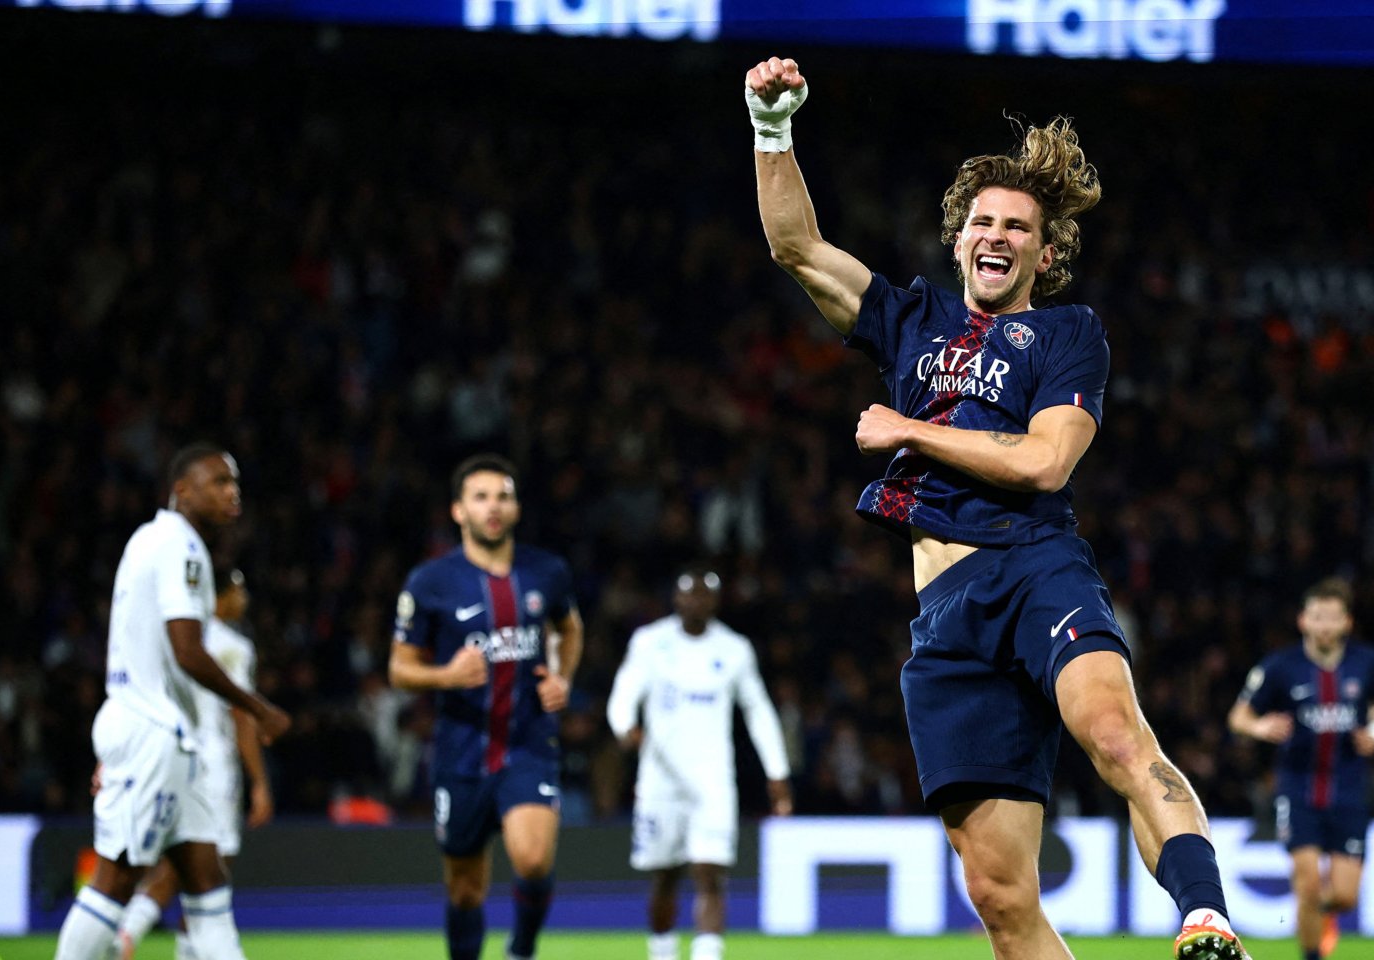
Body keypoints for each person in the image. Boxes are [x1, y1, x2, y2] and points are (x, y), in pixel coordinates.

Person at [747, 57, 1247, 960]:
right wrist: (770, 127)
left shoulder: (1067, 333)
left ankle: (1206, 917)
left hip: (1034, 568)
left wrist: (909, 427)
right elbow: (797, 248)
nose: (997, 235)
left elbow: (1046, 462)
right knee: (999, 897)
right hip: (944, 619)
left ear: (1044, 255)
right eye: (983, 221)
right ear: (958, 241)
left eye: (1018, 226)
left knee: (1115, 736)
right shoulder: (910, 320)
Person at [51, 444, 292, 960]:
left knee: (207, 879)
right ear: (181, 489)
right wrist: (258, 708)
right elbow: (188, 651)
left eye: (234, 483)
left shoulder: (153, 541)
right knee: (116, 879)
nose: (232, 493)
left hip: (167, 735)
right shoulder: (178, 545)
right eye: (218, 482)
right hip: (153, 731)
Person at [388, 454, 584, 960]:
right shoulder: (431, 581)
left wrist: (561, 677)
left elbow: (570, 628)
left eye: (503, 497)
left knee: (533, 860)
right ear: (459, 511)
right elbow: (399, 668)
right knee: (465, 888)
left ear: (516, 508)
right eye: (480, 497)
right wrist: (446, 676)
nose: (493, 507)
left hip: (528, 743)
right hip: (461, 752)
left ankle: (521, 948)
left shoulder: (547, 572)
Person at [606, 569, 793, 960]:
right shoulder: (650, 642)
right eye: (689, 594)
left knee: (710, 874)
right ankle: (662, 951)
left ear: (716, 601)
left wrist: (776, 772)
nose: (696, 601)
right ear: (676, 598)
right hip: (660, 779)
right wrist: (625, 727)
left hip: (713, 780)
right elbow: (623, 693)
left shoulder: (734, 649)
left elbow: (757, 710)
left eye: (704, 595)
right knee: (665, 876)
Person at [1228, 578, 1374, 960]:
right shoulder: (1280, 666)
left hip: (1349, 789)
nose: (1324, 626)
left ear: (1347, 622)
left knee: (1345, 896)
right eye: (1317, 617)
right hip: (1297, 788)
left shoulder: (1366, 662)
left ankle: (1322, 917)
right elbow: (1238, 716)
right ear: (1303, 620)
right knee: (1306, 884)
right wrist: (1260, 727)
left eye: (1332, 618)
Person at [116, 568, 274, 959]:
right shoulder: (232, 647)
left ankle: (140, 936)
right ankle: (123, 937)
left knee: (181, 864)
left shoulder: (173, 636)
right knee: (208, 868)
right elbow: (241, 717)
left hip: (168, 759)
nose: (244, 598)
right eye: (238, 589)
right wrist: (259, 782)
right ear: (219, 595)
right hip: (212, 766)